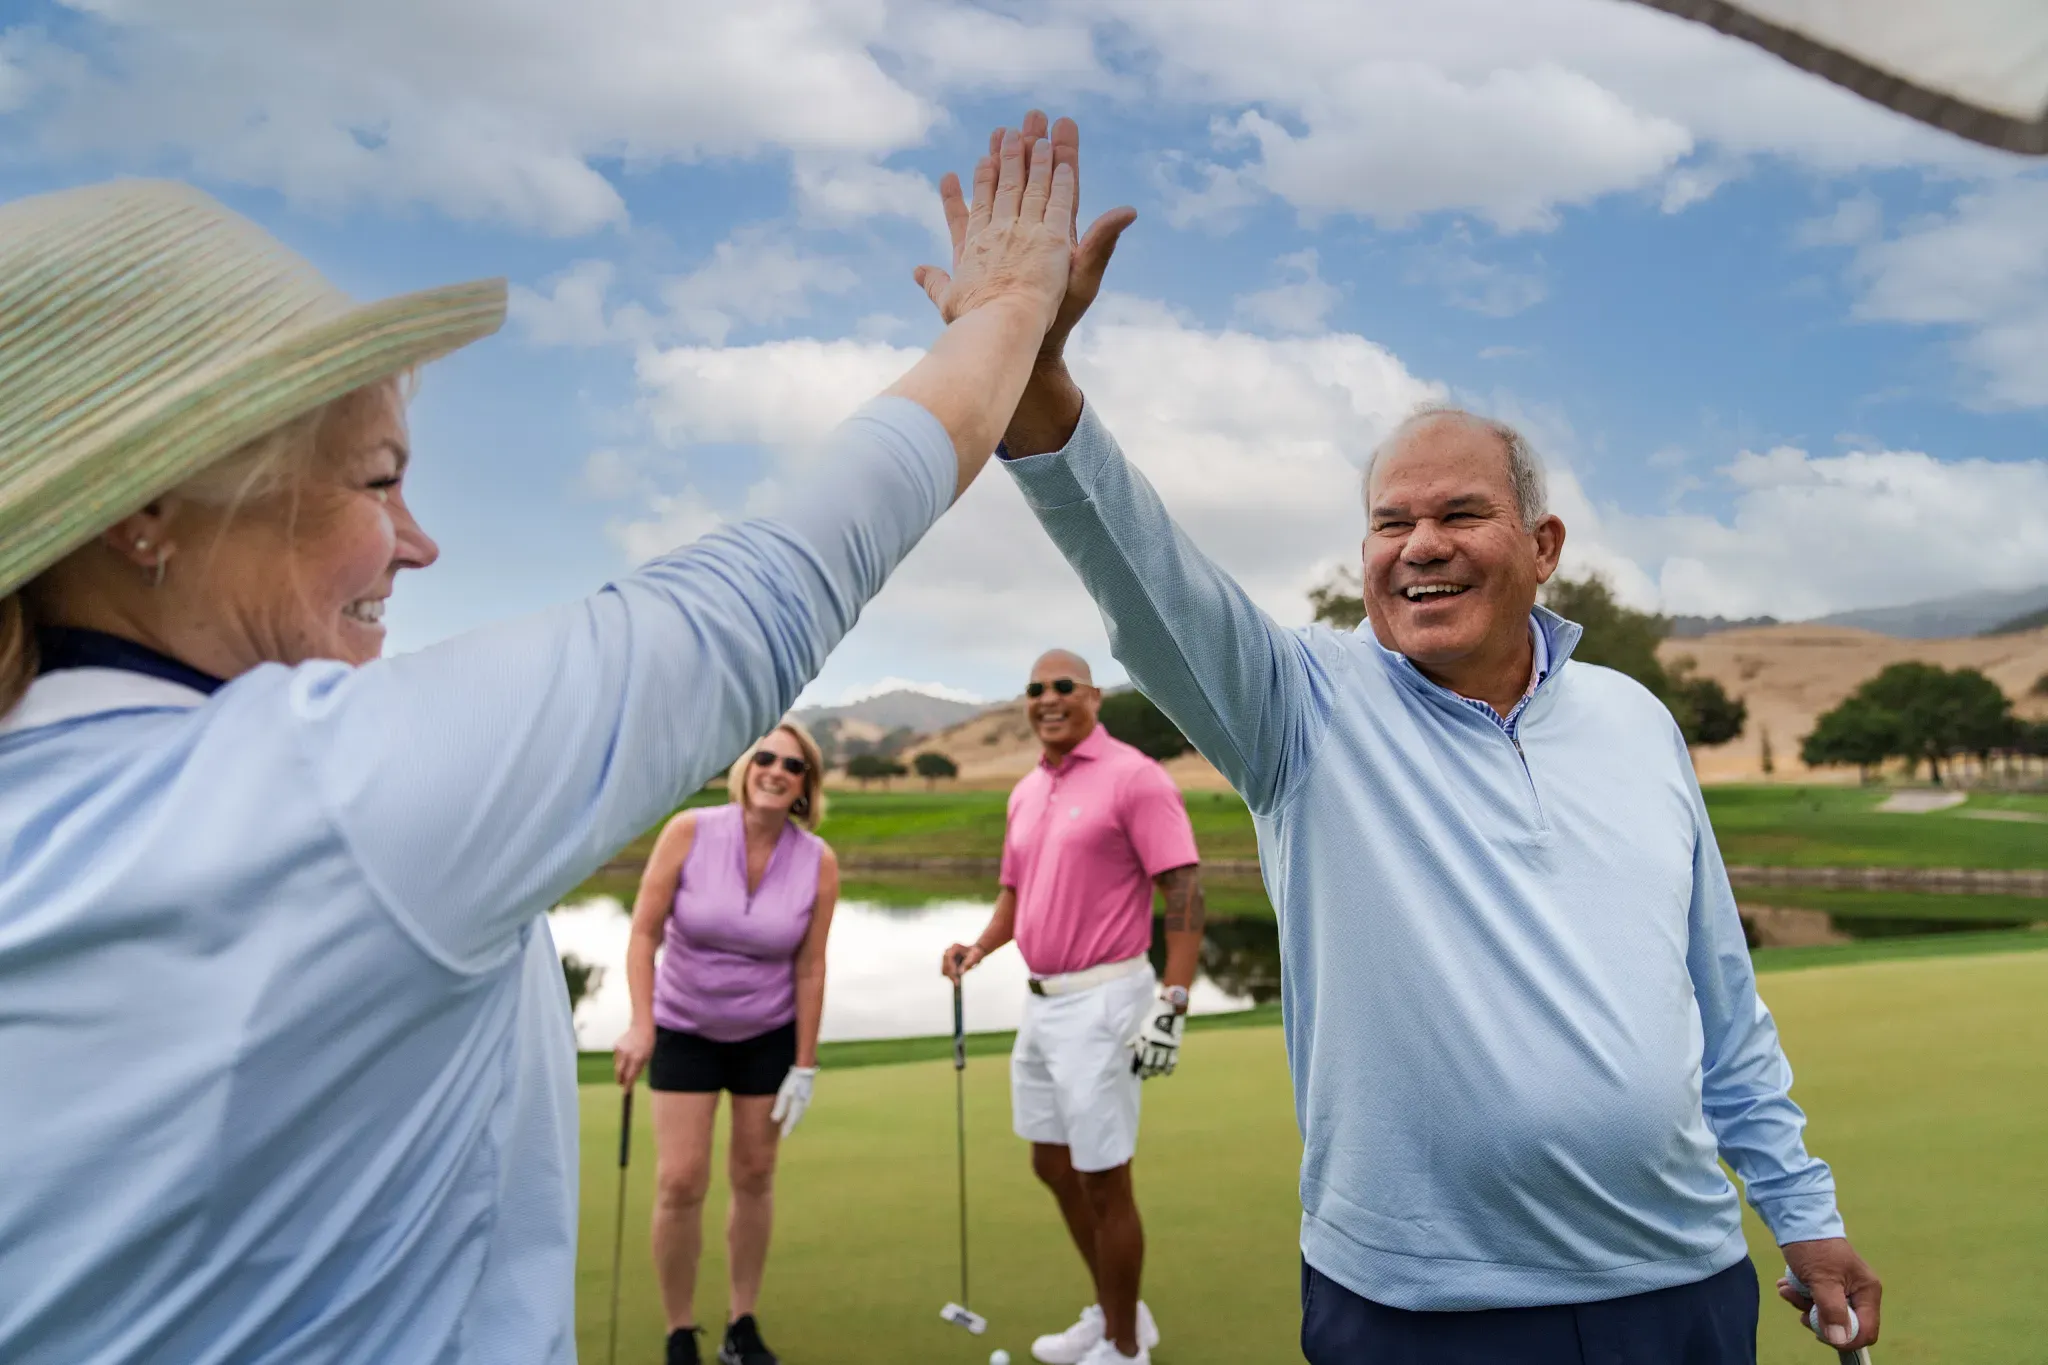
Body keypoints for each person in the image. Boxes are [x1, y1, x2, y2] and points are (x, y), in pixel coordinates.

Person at [0, 130, 1079, 1365]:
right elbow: (772, 585)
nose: (417, 545)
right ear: (149, 513)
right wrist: (1003, 311)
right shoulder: (328, 794)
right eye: (376, 482)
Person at [919, 113, 1883, 1364]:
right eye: (1387, 524)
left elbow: (1722, 1001)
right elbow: (1143, 579)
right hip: (1417, 1309)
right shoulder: (1300, 708)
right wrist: (1031, 370)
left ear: (1540, 550)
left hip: (1678, 1280)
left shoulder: (1635, 721)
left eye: (1459, 513)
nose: (1417, 544)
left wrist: (1799, 1211)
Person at [942, 649, 1206, 1365]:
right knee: (1052, 1164)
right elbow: (1015, 895)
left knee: (1103, 1176)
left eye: (1064, 685)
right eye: (1035, 688)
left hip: (1106, 999)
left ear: (1093, 696)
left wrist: (1172, 1000)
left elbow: (1182, 889)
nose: (1048, 697)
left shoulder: (1135, 777)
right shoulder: (1027, 791)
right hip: (1042, 1002)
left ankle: (1124, 1349)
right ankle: (1120, 1310)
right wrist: (980, 947)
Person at [612, 722, 837, 1365]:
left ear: (804, 786)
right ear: (745, 769)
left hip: (766, 1034)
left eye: (791, 766)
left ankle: (742, 1325)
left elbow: (811, 967)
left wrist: (805, 1063)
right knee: (680, 1180)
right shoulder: (689, 831)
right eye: (764, 758)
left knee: (755, 1175)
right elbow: (642, 936)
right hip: (684, 1027)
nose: (775, 770)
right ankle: (680, 1330)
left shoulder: (817, 860)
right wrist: (641, 1020)